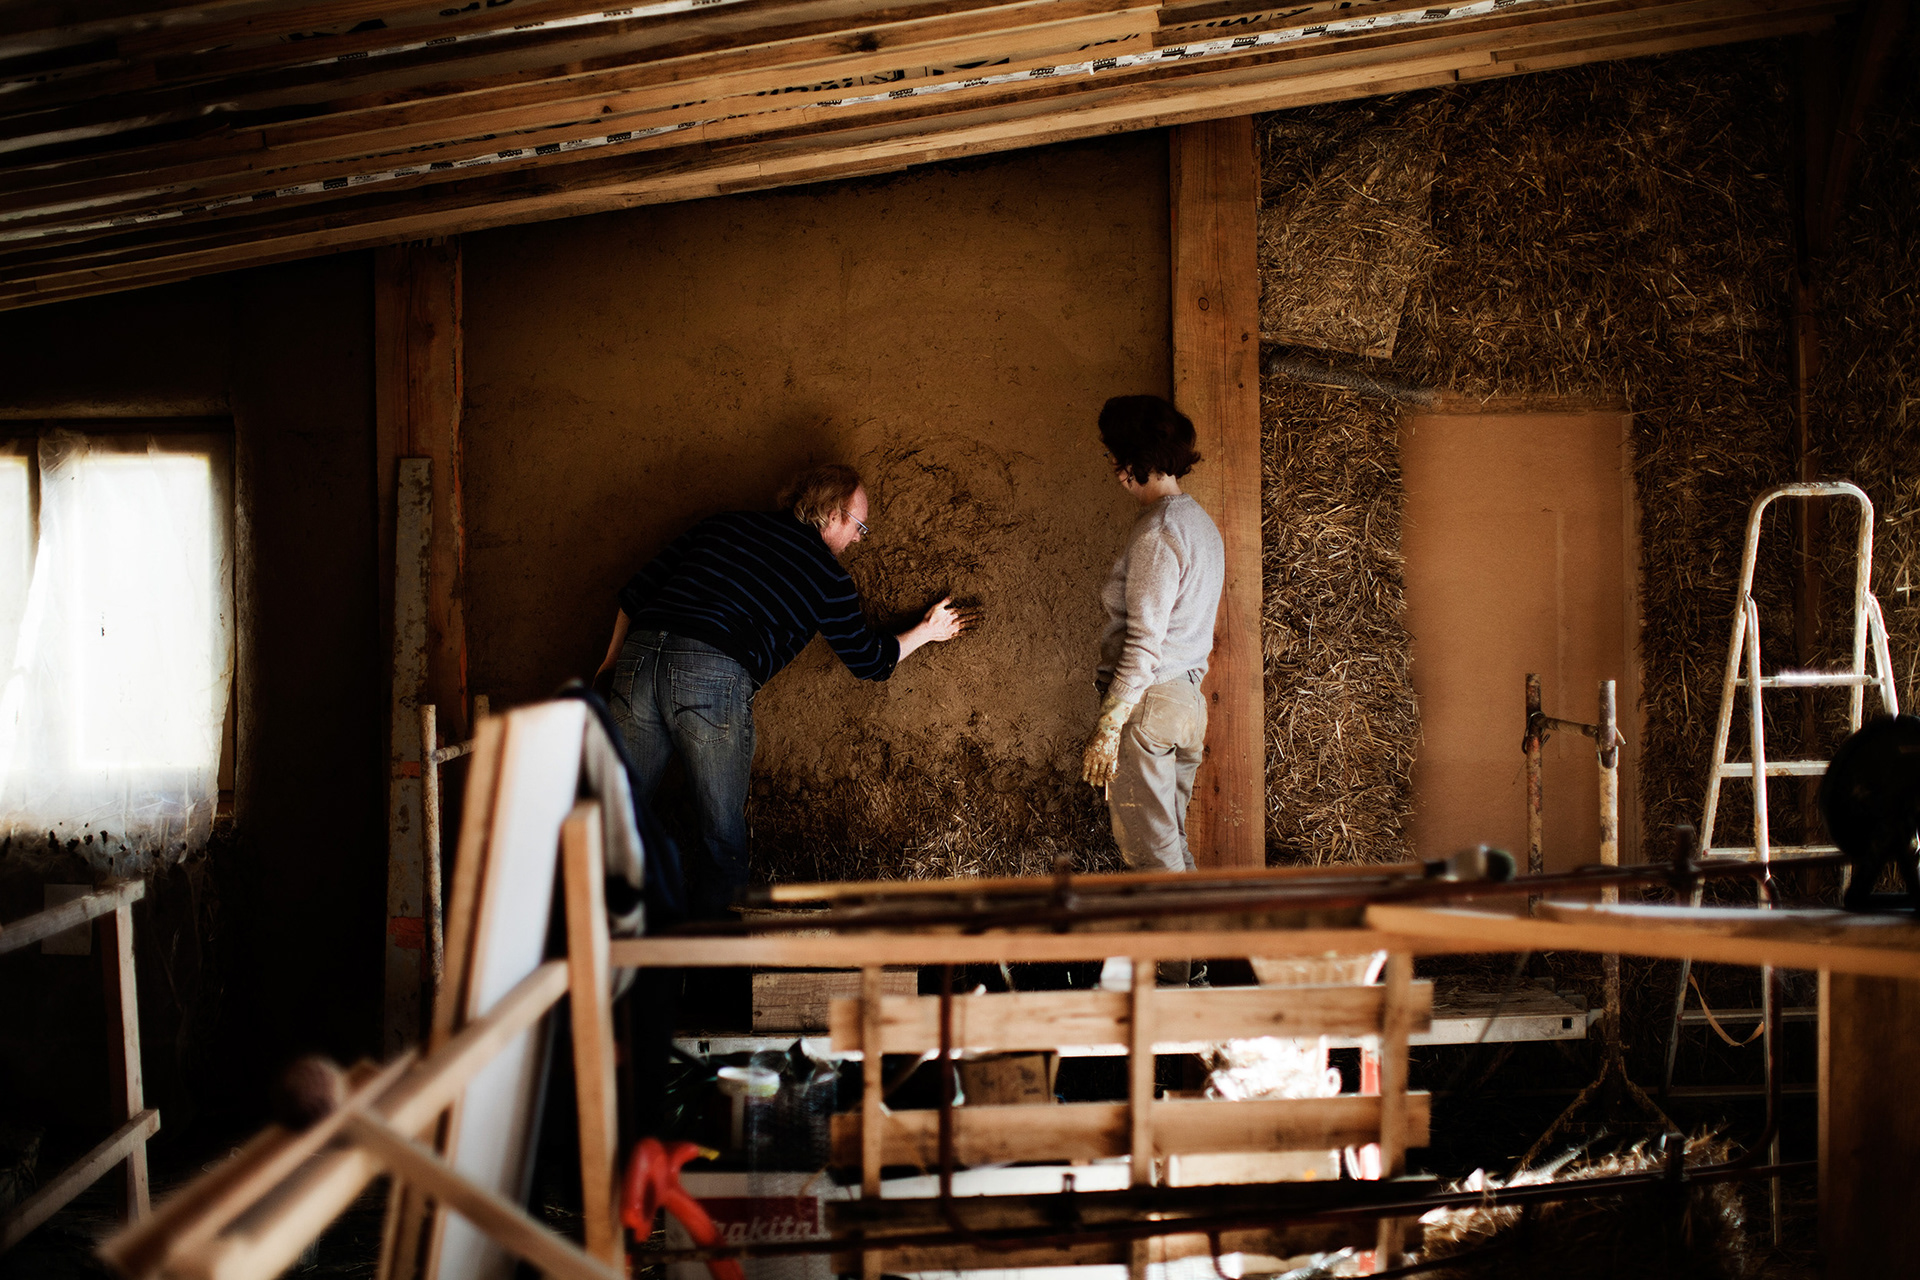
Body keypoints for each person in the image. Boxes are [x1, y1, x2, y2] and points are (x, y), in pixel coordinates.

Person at [595, 463, 972, 916]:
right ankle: (713, 967)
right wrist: (926, 632)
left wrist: (611, 664)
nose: (858, 539)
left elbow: (634, 595)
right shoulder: (826, 578)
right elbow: (869, 661)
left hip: (639, 655)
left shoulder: (723, 524)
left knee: (612, 819)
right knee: (721, 836)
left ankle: (590, 944)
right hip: (711, 670)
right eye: (859, 526)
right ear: (832, 515)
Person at [1082, 395, 1223, 981]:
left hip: (1150, 702)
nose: (1115, 470)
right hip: (1187, 700)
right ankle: (1193, 975)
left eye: (1120, 458)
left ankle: (1171, 988)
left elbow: (1143, 644)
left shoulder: (1157, 534)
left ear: (1141, 459)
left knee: (1149, 853)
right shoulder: (1200, 524)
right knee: (1173, 846)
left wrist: (1108, 727)